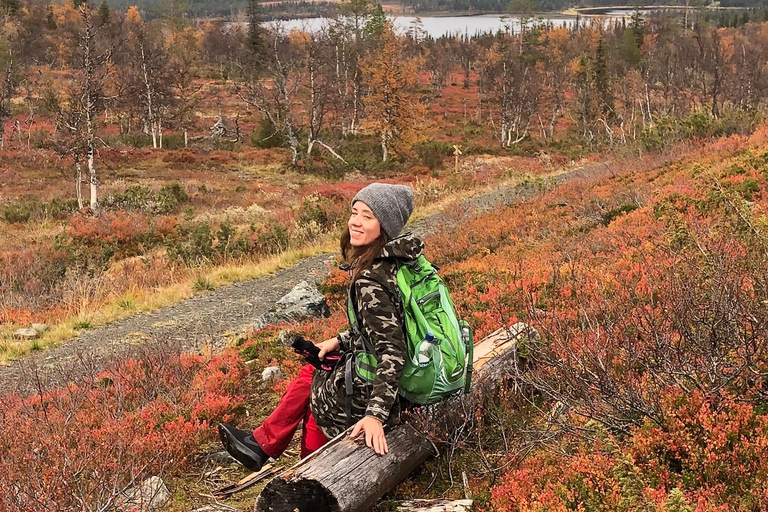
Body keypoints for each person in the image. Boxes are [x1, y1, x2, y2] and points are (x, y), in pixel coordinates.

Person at [218, 182, 424, 471]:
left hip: (395, 391)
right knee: (319, 365)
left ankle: (308, 470)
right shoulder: (406, 260)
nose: (355, 222)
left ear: (385, 226)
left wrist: (375, 415)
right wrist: (339, 341)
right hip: (419, 372)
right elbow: (390, 326)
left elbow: (393, 350)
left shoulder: (372, 280)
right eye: (355, 212)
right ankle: (264, 446)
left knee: (319, 387)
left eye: (368, 216)